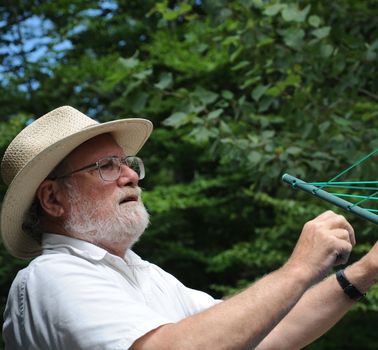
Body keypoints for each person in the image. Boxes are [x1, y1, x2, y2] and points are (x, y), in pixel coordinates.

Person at [1, 105, 377, 350]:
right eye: (106, 167)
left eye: (128, 163)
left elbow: (263, 333)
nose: (131, 175)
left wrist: (365, 271)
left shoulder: (144, 274)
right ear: (52, 200)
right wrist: (300, 268)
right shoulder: (51, 276)